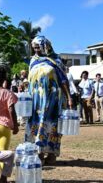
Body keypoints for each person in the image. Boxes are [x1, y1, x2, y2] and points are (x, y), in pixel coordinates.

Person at [26, 36, 72, 165]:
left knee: (52, 125)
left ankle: (51, 154)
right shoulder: (32, 61)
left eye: (38, 47)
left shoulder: (55, 60)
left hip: (52, 99)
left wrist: (69, 97)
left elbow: (63, 80)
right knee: (37, 124)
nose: (36, 50)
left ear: (46, 46)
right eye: (34, 48)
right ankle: (39, 153)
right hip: (36, 101)